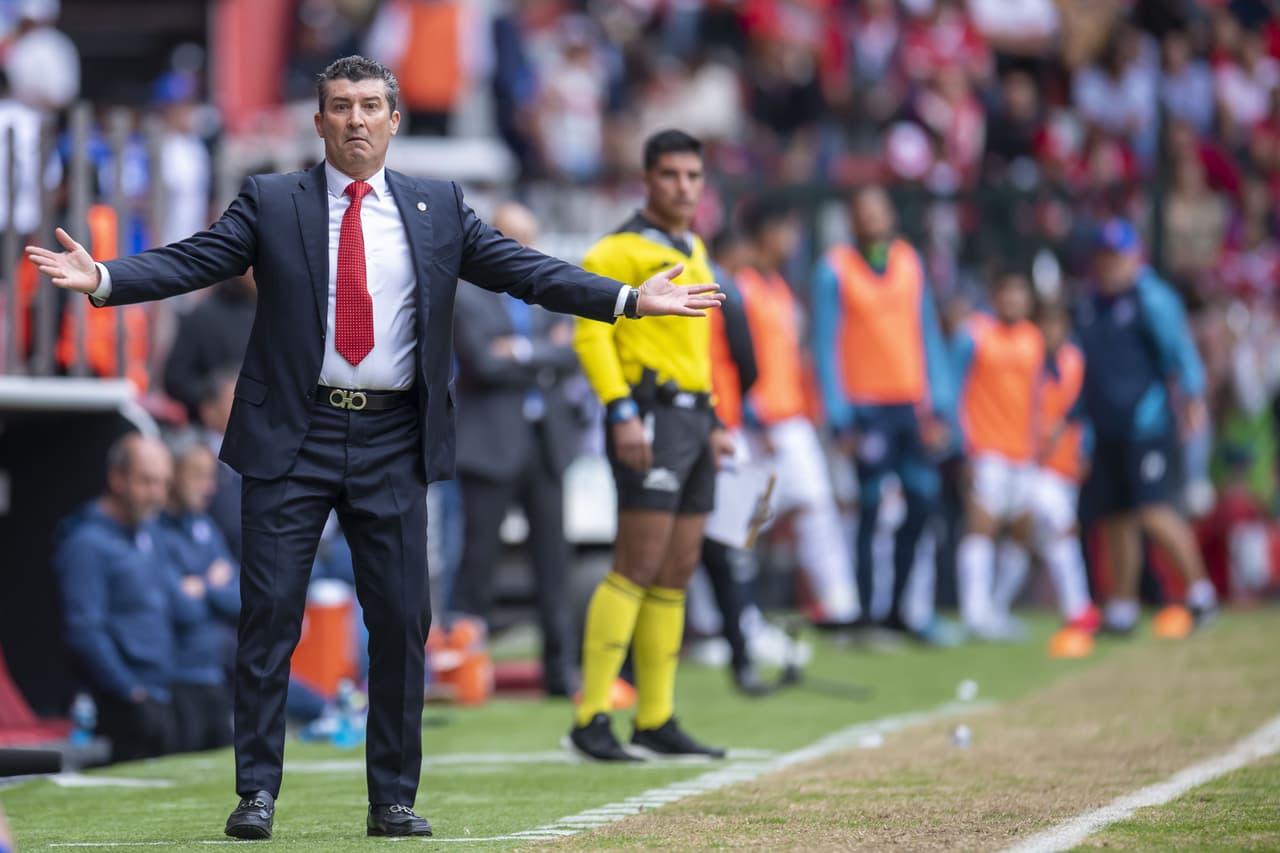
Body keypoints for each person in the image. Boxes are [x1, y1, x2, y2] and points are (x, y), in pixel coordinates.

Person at [27, 56, 719, 840]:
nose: (355, 118)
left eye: (370, 105)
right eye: (339, 106)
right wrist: (107, 277)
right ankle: (256, 791)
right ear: (318, 123)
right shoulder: (273, 199)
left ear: (395, 120)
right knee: (269, 618)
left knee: (400, 619)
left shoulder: (437, 206)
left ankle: (391, 797)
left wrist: (627, 299)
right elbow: (195, 257)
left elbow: (525, 272)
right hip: (294, 431)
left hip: (394, 434)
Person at [569, 129, 735, 762]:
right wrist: (620, 410)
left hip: (694, 421)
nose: (684, 187)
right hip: (651, 417)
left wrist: (716, 417)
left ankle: (656, 717)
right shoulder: (614, 250)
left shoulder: (692, 245)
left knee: (676, 571)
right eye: (670, 175)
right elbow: (592, 336)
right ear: (646, 179)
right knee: (635, 565)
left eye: (693, 176)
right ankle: (590, 719)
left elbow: (698, 347)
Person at [450, 201, 581, 697]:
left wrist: (523, 352)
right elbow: (483, 363)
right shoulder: (468, 296)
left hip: (545, 440)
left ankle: (560, 671)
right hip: (489, 443)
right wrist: (541, 356)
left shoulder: (546, 294)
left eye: (530, 237)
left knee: (554, 561)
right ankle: (465, 671)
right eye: (514, 238)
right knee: (477, 562)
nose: (525, 248)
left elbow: (572, 354)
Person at [812, 185, 955, 638]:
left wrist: (941, 403)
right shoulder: (834, 269)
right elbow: (824, 343)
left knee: (922, 501)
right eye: (863, 209)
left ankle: (900, 609)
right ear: (852, 218)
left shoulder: (910, 262)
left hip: (910, 405)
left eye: (878, 207)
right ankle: (868, 612)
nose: (872, 217)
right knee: (871, 508)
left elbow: (926, 330)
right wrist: (838, 414)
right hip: (864, 407)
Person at [1075, 219, 1218, 635]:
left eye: (1116, 255)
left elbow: (1180, 353)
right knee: (1116, 518)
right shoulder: (1091, 304)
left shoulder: (1151, 298)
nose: (1109, 264)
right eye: (1103, 255)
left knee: (1155, 513)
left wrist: (1192, 400)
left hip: (1148, 425)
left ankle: (1200, 595)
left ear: (1134, 256)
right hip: (1106, 429)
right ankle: (1121, 607)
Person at [736, 200, 858, 626]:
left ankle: (841, 606)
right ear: (767, 233)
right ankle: (731, 619)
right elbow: (734, 358)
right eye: (786, 230)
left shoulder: (780, 287)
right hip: (758, 424)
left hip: (793, 418)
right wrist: (754, 415)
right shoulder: (744, 287)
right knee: (740, 525)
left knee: (817, 507)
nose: (792, 240)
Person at [52, 434, 180, 763]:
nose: (157, 494)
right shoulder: (86, 543)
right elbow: (84, 630)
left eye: (164, 483)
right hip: (119, 707)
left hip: (160, 694)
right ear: (117, 478)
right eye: (147, 481)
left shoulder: (148, 534)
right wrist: (129, 691)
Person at [950, 271, 1045, 639]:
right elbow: (954, 389)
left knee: (1022, 531)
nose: (1013, 300)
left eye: (1020, 293)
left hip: (1024, 452)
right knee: (981, 527)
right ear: (994, 295)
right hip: (986, 448)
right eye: (1007, 292)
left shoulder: (1033, 340)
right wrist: (965, 448)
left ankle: (997, 607)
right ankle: (974, 613)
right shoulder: (974, 334)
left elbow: (1036, 398)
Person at [154, 432, 239, 753]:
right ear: (173, 473)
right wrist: (212, 582)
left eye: (211, 476)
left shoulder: (205, 526)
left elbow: (240, 598)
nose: (209, 486)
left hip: (213, 675)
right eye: (197, 475)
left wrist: (200, 586)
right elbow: (181, 607)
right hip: (176, 680)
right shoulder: (153, 531)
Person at [1021, 301, 1100, 639]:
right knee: (1059, 526)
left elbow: (1086, 410)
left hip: (1066, 464)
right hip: (1031, 462)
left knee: (1028, 537)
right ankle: (1078, 606)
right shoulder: (1026, 361)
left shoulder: (1075, 362)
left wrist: (1086, 451)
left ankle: (989, 606)